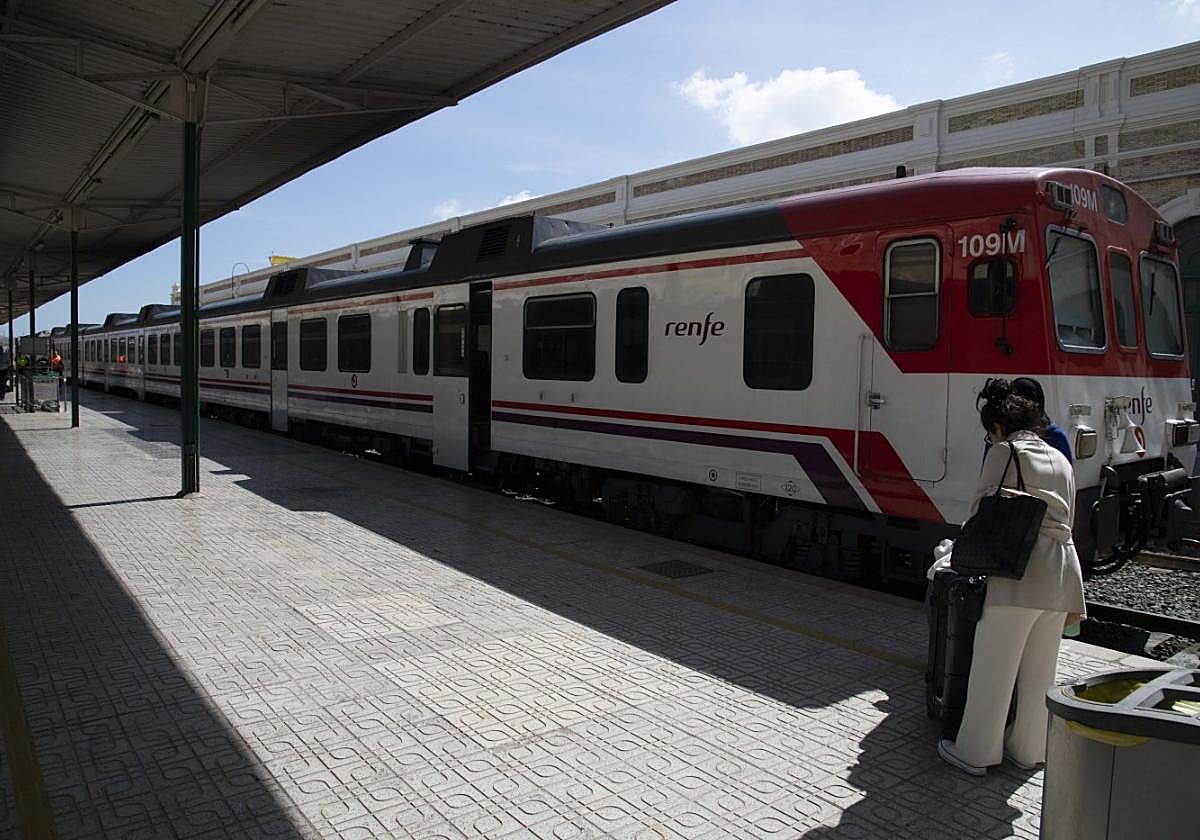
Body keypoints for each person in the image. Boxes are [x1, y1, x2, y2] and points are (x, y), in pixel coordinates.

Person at [938, 378, 1086, 776]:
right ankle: (1029, 749)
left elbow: (979, 511)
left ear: (999, 427)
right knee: (1041, 673)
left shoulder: (1006, 452)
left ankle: (975, 752)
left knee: (994, 669)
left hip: (1019, 575)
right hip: (1061, 576)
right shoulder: (1060, 458)